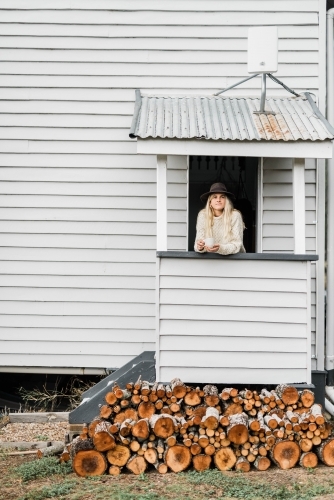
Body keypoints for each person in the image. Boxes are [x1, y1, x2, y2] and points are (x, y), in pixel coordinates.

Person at [195, 182, 245, 255]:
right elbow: (198, 242)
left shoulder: (235, 215)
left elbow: (237, 245)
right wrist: (200, 247)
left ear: (226, 201)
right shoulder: (203, 215)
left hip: (235, 259)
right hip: (210, 260)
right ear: (210, 202)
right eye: (215, 197)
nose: (218, 200)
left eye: (222, 197)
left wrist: (220, 248)